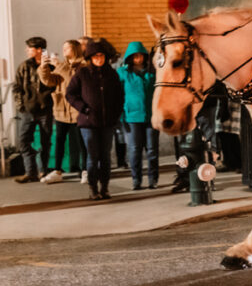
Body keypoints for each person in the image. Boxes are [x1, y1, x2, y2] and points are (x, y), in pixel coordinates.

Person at [66, 41, 124, 200]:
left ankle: (104, 188)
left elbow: (120, 96)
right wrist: (83, 108)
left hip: (107, 123)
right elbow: (70, 94)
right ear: (90, 58)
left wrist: (115, 114)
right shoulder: (82, 74)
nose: (99, 59)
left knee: (105, 156)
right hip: (88, 123)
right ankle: (93, 188)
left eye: (102, 56)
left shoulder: (112, 74)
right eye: (96, 56)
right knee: (92, 156)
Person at [37, 40, 87, 184]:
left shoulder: (83, 65)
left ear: (75, 49)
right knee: (59, 140)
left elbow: (73, 79)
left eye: (67, 47)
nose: (64, 49)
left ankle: (85, 170)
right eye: (63, 46)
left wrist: (59, 65)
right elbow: (48, 81)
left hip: (77, 110)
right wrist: (44, 66)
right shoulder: (62, 65)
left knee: (82, 141)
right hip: (61, 109)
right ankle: (57, 171)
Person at [118, 41, 160, 190]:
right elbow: (118, 94)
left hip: (151, 115)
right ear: (130, 57)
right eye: (135, 56)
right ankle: (136, 179)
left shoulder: (152, 72)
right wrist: (121, 114)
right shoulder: (122, 73)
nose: (138, 59)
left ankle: (153, 178)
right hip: (132, 116)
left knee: (152, 149)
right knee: (134, 149)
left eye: (141, 56)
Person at [13, 37, 55, 183]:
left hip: (46, 110)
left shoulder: (50, 65)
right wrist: (21, 106)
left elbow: (56, 85)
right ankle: (31, 171)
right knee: (23, 141)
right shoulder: (24, 66)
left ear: (38, 50)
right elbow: (17, 88)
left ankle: (43, 171)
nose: (27, 51)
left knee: (46, 141)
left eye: (29, 48)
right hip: (28, 111)